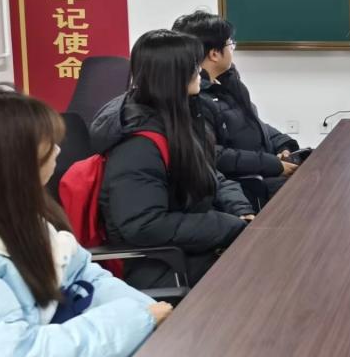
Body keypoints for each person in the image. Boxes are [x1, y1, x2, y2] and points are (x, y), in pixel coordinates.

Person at [0, 88, 172, 357]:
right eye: (47, 147)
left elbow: (85, 275)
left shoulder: (18, 216)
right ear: (12, 166)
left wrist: (144, 311)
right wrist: (137, 319)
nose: (58, 151)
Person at [91, 29, 255, 289]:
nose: (199, 71)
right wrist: (225, 226)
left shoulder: (177, 120)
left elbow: (210, 172)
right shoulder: (138, 144)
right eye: (193, 65)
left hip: (194, 249)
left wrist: (240, 210)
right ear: (172, 76)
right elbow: (144, 224)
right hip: (164, 265)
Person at [173, 10, 302, 201]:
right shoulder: (195, 99)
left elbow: (254, 123)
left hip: (265, 171)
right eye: (230, 43)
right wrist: (272, 164)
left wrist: (284, 145)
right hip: (245, 186)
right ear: (214, 54)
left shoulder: (228, 83)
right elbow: (214, 155)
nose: (233, 47)